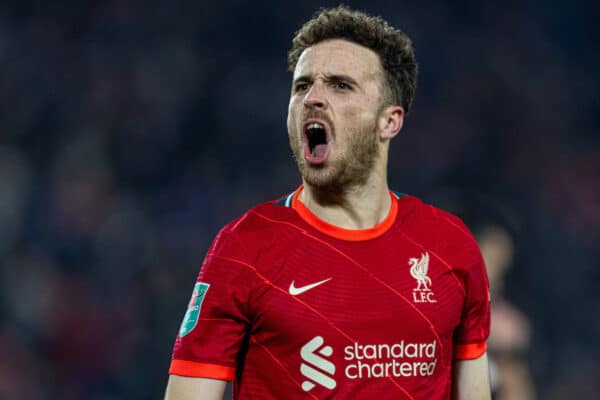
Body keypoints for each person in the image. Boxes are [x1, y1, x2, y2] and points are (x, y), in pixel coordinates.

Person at [164, 6, 491, 400]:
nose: (313, 98)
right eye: (302, 86)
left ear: (390, 121)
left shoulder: (450, 246)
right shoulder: (243, 249)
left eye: (340, 85)